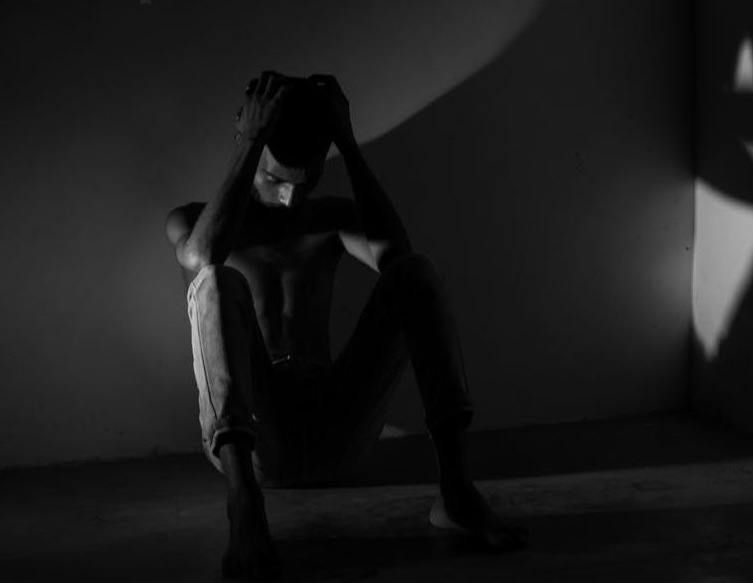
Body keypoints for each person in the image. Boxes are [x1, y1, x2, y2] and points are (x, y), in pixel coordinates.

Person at [165, 70, 527, 580]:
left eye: (306, 180)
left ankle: (457, 489)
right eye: (275, 180)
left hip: (335, 429)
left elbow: (397, 259)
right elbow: (202, 256)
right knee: (215, 281)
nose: (291, 198)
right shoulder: (197, 221)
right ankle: (243, 506)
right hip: (253, 445)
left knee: (415, 272)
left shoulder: (331, 218)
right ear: (246, 147)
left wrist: (349, 143)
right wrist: (251, 141)